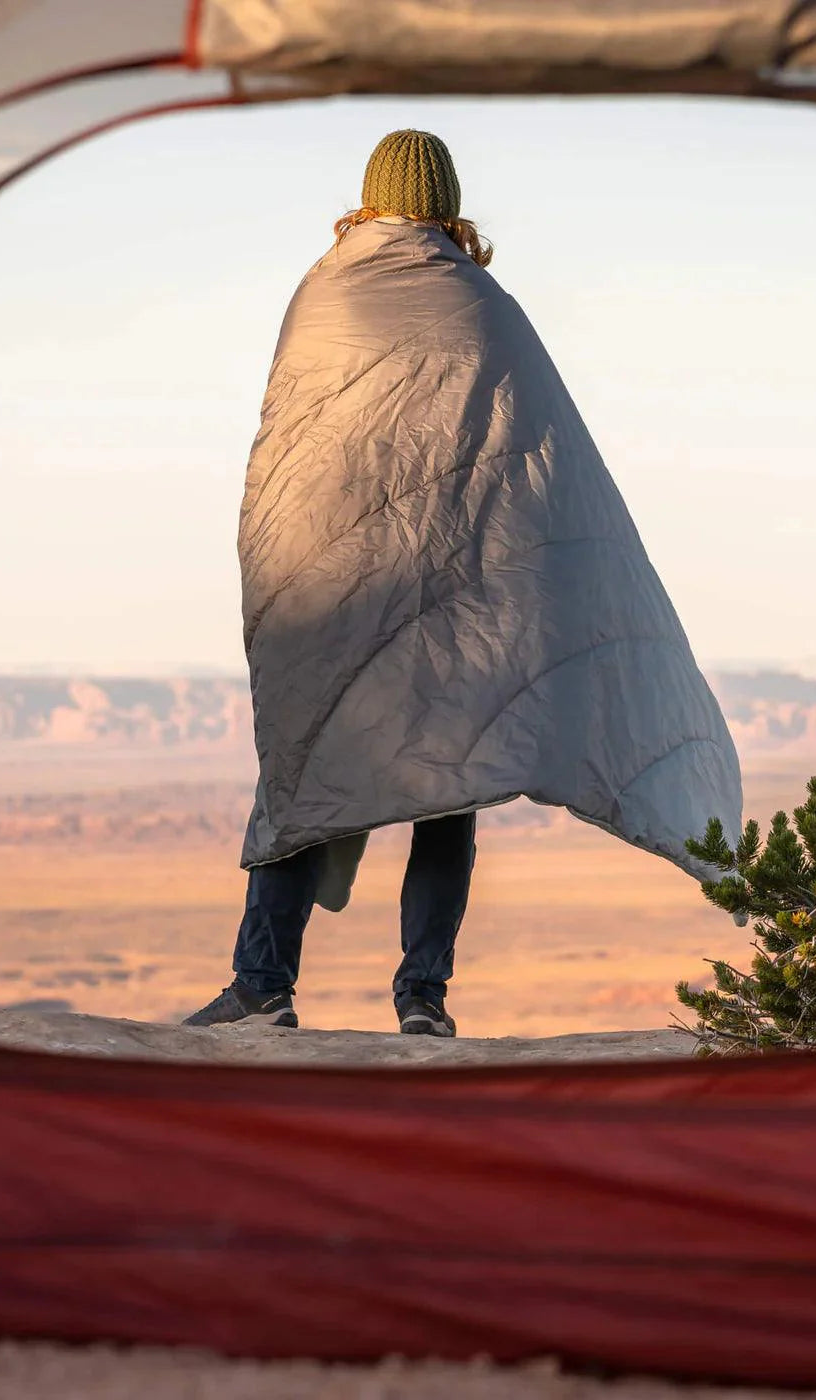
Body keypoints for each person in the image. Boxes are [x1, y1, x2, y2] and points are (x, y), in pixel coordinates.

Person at [184, 130, 741, 1038]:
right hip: (464, 600)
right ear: (447, 199)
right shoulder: (480, 302)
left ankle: (261, 987)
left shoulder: (323, 293)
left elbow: (289, 457)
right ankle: (422, 1002)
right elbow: (544, 464)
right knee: (451, 784)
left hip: (338, 590)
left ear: (367, 198)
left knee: (306, 776)